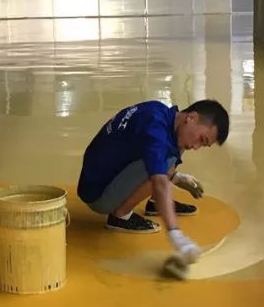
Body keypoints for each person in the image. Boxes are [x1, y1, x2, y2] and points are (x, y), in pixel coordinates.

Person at [77, 99, 230, 262]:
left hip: (99, 176)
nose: (197, 146)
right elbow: (160, 182)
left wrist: (176, 177)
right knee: (165, 160)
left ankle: (157, 202)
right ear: (191, 117)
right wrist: (176, 235)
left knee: (175, 144)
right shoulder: (155, 132)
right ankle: (120, 216)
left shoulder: (160, 112)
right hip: (99, 193)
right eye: (201, 139)